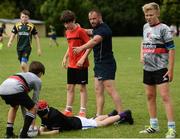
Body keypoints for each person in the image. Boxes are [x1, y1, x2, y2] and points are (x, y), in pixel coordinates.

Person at [73, 9, 126, 117]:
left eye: (94, 18)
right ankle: (98, 115)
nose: (92, 21)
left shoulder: (104, 30)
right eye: (90, 19)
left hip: (106, 64)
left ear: (100, 17)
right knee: (98, 90)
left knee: (110, 89)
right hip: (99, 64)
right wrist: (79, 29)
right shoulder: (97, 28)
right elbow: (90, 31)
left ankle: (122, 115)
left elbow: (94, 40)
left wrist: (81, 48)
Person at [139, 2, 176, 138]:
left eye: (151, 15)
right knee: (150, 96)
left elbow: (171, 50)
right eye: (146, 15)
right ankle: (154, 125)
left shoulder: (164, 29)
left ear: (157, 14)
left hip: (161, 68)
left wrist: (170, 70)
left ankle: (171, 128)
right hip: (147, 68)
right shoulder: (145, 27)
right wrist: (141, 54)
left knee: (165, 97)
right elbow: (143, 41)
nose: (148, 17)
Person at [36, 100, 133, 136]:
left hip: (78, 124)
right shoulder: (47, 114)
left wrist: (42, 133)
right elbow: (44, 124)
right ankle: (110, 115)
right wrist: (39, 130)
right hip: (76, 119)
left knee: (102, 124)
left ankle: (124, 115)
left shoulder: (54, 115)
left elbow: (56, 131)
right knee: (93, 120)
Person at [0, 61, 45, 138]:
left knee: (14, 106)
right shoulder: (37, 80)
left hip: (2, 89)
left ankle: (9, 133)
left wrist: (27, 117)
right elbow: (35, 101)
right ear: (40, 73)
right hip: (15, 89)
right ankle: (24, 135)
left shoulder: (24, 75)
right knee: (33, 108)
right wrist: (32, 122)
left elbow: (23, 104)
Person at [60, 10, 91, 117]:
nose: (66, 25)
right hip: (71, 64)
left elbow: (90, 45)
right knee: (69, 87)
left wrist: (83, 59)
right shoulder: (67, 32)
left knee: (82, 88)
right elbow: (70, 47)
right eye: (64, 23)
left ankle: (82, 110)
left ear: (73, 20)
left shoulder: (81, 31)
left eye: (68, 22)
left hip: (81, 64)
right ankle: (68, 109)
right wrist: (65, 57)